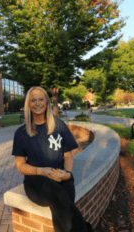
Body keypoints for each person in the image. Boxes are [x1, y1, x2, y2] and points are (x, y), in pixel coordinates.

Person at [12, 86, 93, 232]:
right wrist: (43, 171)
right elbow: (20, 166)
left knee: (62, 209)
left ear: (47, 102)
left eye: (41, 99)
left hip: (60, 175)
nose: (38, 104)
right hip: (36, 181)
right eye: (33, 100)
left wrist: (67, 173)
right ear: (28, 104)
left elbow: (68, 156)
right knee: (60, 196)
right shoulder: (21, 133)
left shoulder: (59, 126)